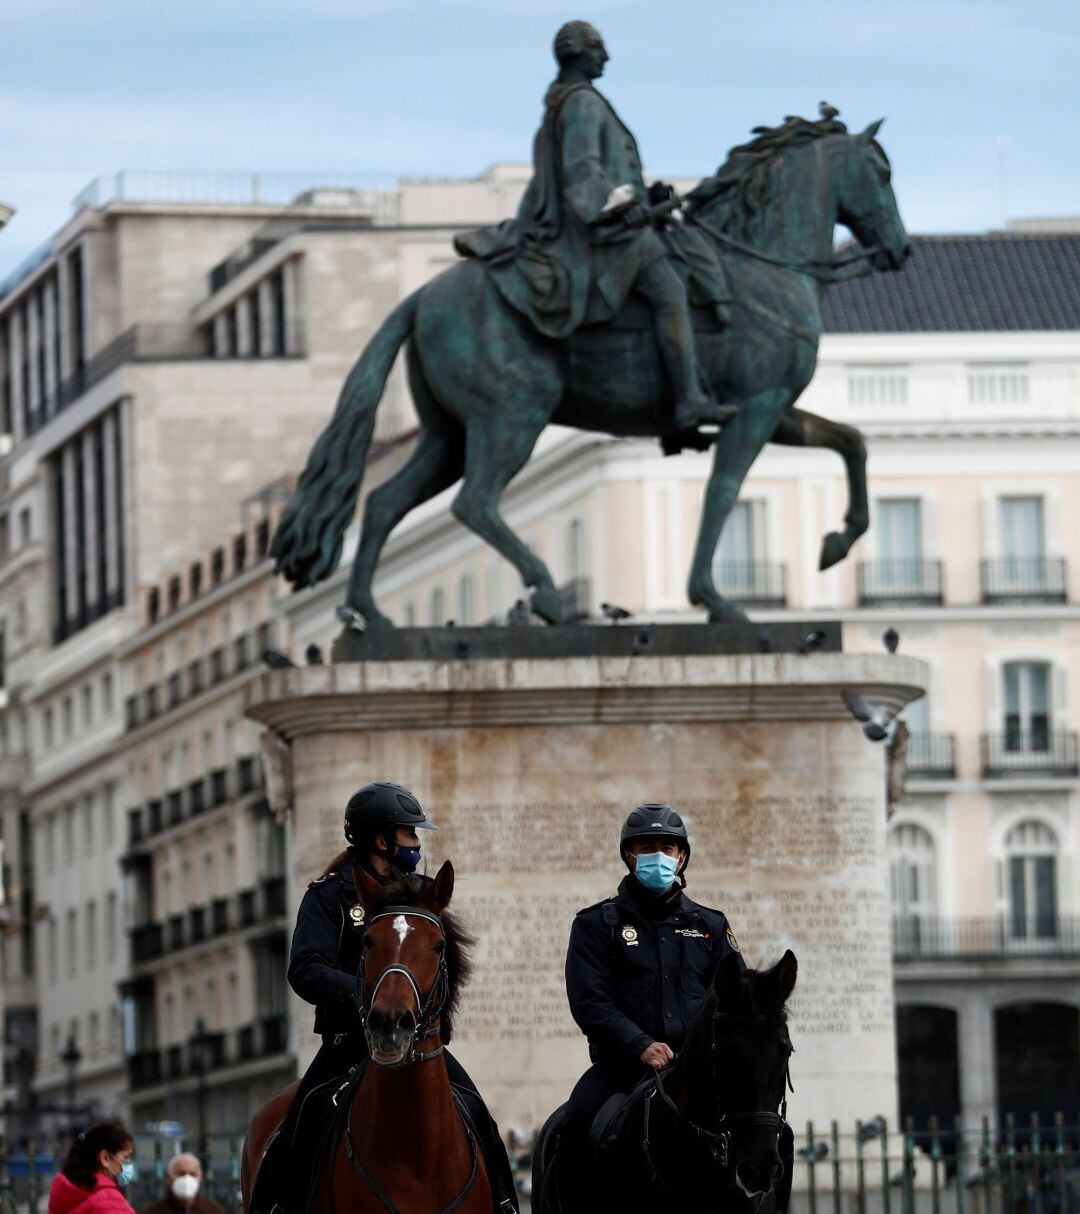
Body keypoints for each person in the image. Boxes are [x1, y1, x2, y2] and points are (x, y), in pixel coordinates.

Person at [248, 780, 518, 1214]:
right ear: (380, 839)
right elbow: (305, 969)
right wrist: (370, 994)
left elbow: (447, 969)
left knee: (479, 1114)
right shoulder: (329, 894)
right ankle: (275, 1207)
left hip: (419, 1043)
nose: (416, 843)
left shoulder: (424, 896)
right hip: (348, 1045)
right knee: (300, 1119)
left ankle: (504, 1202)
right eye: (410, 834)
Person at [456, 20, 732, 436]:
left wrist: (645, 196)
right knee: (672, 291)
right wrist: (623, 211)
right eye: (599, 48)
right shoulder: (582, 103)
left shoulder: (567, 101)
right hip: (600, 234)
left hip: (604, 223)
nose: (606, 56)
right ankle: (690, 399)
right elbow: (582, 170)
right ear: (578, 53)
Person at [561, 803, 793, 1205]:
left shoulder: (710, 926)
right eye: (645, 846)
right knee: (576, 1121)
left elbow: (737, 999)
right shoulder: (595, 925)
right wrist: (639, 1045)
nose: (657, 856)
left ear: (681, 856)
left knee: (778, 1136)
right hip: (622, 1069)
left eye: (667, 847)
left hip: (699, 1072)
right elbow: (589, 1000)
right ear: (628, 856)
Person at [49, 1123, 136, 1214]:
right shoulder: (110, 1201)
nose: (129, 1164)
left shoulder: (65, 1193)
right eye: (126, 1157)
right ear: (105, 1158)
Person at [137, 1154, 224, 1214]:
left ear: (200, 1177)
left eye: (192, 1174)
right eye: (181, 1174)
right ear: (169, 1177)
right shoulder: (153, 1212)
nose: (187, 1178)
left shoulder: (213, 1210)